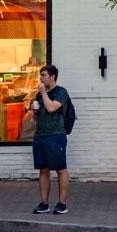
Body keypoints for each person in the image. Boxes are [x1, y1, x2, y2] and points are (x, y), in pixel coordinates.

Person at [31, 64, 71, 215]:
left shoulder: (61, 92)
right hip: (40, 135)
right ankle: (44, 203)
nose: (41, 78)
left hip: (56, 136)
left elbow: (52, 108)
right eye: (40, 75)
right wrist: (34, 111)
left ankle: (62, 204)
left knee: (61, 169)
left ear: (52, 77)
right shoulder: (39, 95)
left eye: (44, 75)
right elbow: (38, 117)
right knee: (43, 169)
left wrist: (43, 93)